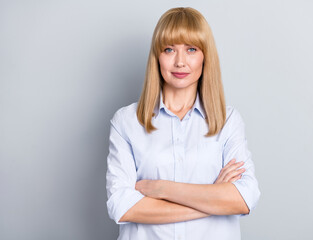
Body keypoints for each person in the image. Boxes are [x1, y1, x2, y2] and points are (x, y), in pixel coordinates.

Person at [106, 7, 260, 240]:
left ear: (205, 56)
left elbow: (244, 198)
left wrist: (162, 189)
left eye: (191, 49)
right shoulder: (127, 121)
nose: (180, 62)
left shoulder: (228, 121)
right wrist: (213, 200)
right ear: (157, 56)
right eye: (169, 49)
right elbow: (122, 206)